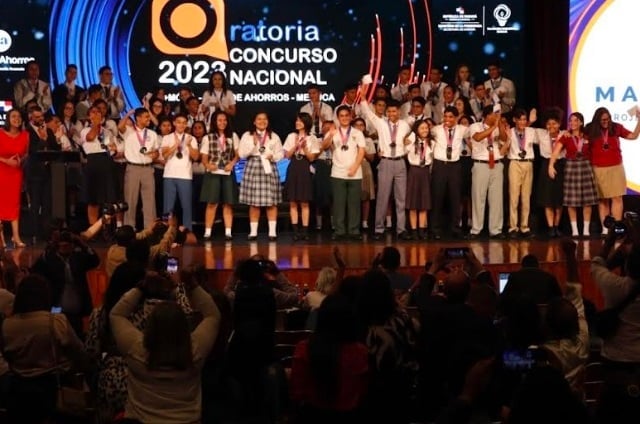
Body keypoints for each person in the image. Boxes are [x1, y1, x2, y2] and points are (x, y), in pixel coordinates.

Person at [110, 274, 221, 423]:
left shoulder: (136, 350)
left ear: (150, 327)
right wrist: (193, 285)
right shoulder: (195, 352)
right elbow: (212, 315)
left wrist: (141, 287)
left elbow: (117, 314)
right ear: (183, 327)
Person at [2, 274, 88, 423]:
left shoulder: (7, 325)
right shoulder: (55, 321)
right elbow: (79, 352)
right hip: (54, 388)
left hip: (19, 392)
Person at [291, 295, 369, 423]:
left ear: (321, 317)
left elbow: (297, 393)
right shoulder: (360, 352)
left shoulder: (304, 348)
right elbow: (363, 392)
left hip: (311, 415)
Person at [361, 82, 412, 240]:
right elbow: (368, 114)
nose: (391, 113)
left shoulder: (405, 124)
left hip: (400, 162)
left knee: (401, 198)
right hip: (385, 162)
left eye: (394, 111)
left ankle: (401, 229)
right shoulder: (381, 123)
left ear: (399, 112)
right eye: (389, 111)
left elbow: (418, 132)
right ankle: (378, 228)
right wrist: (363, 97)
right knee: (382, 196)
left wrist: (407, 146)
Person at [31, 230, 100, 336]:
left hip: (76, 307)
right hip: (56, 306)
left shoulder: (78, 258)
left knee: (77, 333)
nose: (65, 248)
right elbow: (36, 269)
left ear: (72, 246)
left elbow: (95, 260)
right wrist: (50, 246)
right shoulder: (50, 259)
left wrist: (82, 244)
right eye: (62, 246)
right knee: (55, 332)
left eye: (67, 245)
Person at [585, 107, 640, 234]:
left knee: (617, 198)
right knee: (602, 199)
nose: (606, 121)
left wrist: (639, 121)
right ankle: (606, 228)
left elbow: (633, 136)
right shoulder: (590, 129)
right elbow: (577, 135)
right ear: (597, 119)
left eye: (608, 119)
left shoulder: (616, 127)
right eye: (603, 119)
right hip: (598, 169)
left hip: (616, 168)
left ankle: (617, 227)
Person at [549, 112, 597, 238]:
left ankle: (586, 230)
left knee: (587, 201)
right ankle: (575, 230)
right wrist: (550, 165)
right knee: (571, 201)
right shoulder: (566, 136)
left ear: (581, 122)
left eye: (575, 120)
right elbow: (556, 151)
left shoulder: (587, 136)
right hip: (571, 167)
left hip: (586, 167)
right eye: (571, 120)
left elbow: (595, 151)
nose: (572, 123)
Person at [321, 105, 366, 241]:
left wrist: (355, 167)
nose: (345, 118)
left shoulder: (357, 133)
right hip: (337, 172)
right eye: (342, 116)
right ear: (338, 118)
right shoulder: (333, 131)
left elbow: (362, 151)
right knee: (339, 203)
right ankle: (339, 230)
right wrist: (331, 135)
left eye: (347, 115)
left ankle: (354, 230)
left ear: (351, 117)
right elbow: (324, 146)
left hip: (355, 172)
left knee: (354, 203)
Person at [238, 111, 284, 241]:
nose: (262, 121)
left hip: (269, 166)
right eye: (259, 119)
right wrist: (253, 144)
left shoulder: (273, 136)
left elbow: (280, 154)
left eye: (264, 119)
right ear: (254, 121)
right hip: (253, 166)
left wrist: (273, 156)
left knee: (271, 202)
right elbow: (241, 154)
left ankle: (272, 233)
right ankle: (253, 233)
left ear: (268, 121)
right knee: (254, 203)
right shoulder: (247, 135)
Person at [467, 105, 509, 239]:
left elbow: (503, 138)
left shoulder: (497, 126)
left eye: (498, 114)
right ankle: (476, 229)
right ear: (486, 115)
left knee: (496, 199)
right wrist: (493, 127)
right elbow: (478, 138)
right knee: (478, 197)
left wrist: (500, 125)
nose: (497, 116)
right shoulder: (475, 126)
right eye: (494, 114)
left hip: (496, 164)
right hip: (481, 165)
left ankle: (495, 230)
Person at [429, 106, 469, 239]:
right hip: (440, 165)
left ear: (456, 118)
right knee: (437, 197)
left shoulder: (462, 129)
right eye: (445, 116)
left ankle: (455, 228)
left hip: (455, 166)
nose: (447, 119)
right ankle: (434, 229)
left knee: (455, 197)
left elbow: (475, 134)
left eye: (451, 117)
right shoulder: (436, 130)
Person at [200, 110, 240, 241]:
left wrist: (232, 163)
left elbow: (238, 154)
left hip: (227, 172)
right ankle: (208, 232)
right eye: (219, 120)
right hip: (213, 173)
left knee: (228, 203)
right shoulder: (208, 137)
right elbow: (204, 158)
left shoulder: (233, 136)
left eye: (224, 120)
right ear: (214, 122)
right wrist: (208, 165)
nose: (222, 123)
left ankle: (228, 232)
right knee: (212, 203)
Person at [119, 108, 159, 229]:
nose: (149, 119)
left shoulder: (152, 134)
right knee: (130, 200)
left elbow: (156, 151)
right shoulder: (129, 131)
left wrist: (154, 154)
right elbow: (120, 126)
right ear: (138, 118)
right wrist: (129, 113)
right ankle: (129, 228)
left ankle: (150, 229)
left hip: (147, 168)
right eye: (146, 117)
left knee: (149, 201)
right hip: (133, 168)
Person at [24, 105, 60, 242]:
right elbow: (32, 152)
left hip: (47, 173)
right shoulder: (27, 132)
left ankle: (46, 233)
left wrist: (56, 138)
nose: (40, 119)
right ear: (30, 117)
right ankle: (34, 234)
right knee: (35, 204)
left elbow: (55, 149)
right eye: (37, 117)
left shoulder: (48, 130)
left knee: (47, 204)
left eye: (42, 117)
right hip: (34, 174)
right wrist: (43, 140)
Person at [80, 104, 120, 225]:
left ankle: (106, 228)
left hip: (106, 162)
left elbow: (112, 149)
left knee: (109, 198)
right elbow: (91, 137)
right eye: (93, 112)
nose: (96, 114)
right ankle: (93, 228)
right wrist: (95, 124)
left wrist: (114, 149)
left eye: (98, 112)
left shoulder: (107, 132)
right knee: (93, 199)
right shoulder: (85, 130)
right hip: (93, 163)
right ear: (88, 116)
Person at [283, 112, 320, 241]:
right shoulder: (291, 136)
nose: (297, 122)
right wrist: (295, 145)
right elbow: (287, 155)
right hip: (293, 166)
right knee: (293, 201)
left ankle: (305, 231)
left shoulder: (312, 138)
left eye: (300, 121)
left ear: (306, 123)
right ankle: (295, 231)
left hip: (305, 167)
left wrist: (304, 148)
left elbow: (311, 158)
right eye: (297, 120)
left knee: (304, 201)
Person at [160, 114, 200, 231]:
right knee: (168, 207)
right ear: (174, 123)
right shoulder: (167, 138)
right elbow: (165, 155)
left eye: (184, 122)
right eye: (179, 122)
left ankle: (187, 232)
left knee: (186, 206)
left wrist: (188, 145)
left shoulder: (190, 138)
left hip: (185, 176)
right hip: (169, 175)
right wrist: (175, 146)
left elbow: (196, 157)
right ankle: (166, 232)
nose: (181, 125)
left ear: (186, 124)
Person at [504, 108, 538, 238]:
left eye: (525, 119)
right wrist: (507, 138)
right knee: (514, 197)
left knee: (526, 197)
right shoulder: (510, 132)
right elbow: (504, 149)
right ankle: (513, 227)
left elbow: (547, 135)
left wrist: (532, 121)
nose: (523, 122)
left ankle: (524, 227)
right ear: (515, 120)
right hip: (515, 163)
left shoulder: (531, 131)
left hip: (528, 163)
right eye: (520, 120)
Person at [0, 109, 29, 248]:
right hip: (1, 172)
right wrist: (6, 161)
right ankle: (1, 240)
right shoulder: (0, 133)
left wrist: (20, 160)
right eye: (13, 116)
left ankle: (16, 236)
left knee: (14, 204)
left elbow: (26, 154)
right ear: (8, 119)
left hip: (16, 173)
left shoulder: (25, 135)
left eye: (19, 116)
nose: (16, 119)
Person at [536, 109, 566, 238]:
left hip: (561, 164)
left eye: (554, 123)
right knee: (548, 198)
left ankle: (556, 226)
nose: (551, 126)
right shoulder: (541, 134)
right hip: (546, 164)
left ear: (559, 124)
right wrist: (531, 120)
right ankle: (550, 228)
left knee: (559, 198)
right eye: (548, 124)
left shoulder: (565, 134)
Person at [404, 119, 433, 239]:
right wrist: (412, 134)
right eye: (422, 128)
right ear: (416, 130)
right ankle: (414, 231)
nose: (425, 130)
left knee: (423, 203)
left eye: (426, 128)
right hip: (414, 171)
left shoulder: (432, 143)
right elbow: (405, 147)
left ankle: (422, 230)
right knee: (413, 203)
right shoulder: (411, 142)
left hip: (425, 172)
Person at [352, 118, 376, 231]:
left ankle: (365, 222)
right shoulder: (349, 139)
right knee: (353, 196)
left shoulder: (368, 140)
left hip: (365, 166)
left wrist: (362, 149)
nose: (359, 127)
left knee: (366, 196)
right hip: (352, 166)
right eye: (356, 125)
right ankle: (353, 222)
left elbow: (371, 158)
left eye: (361, 125)